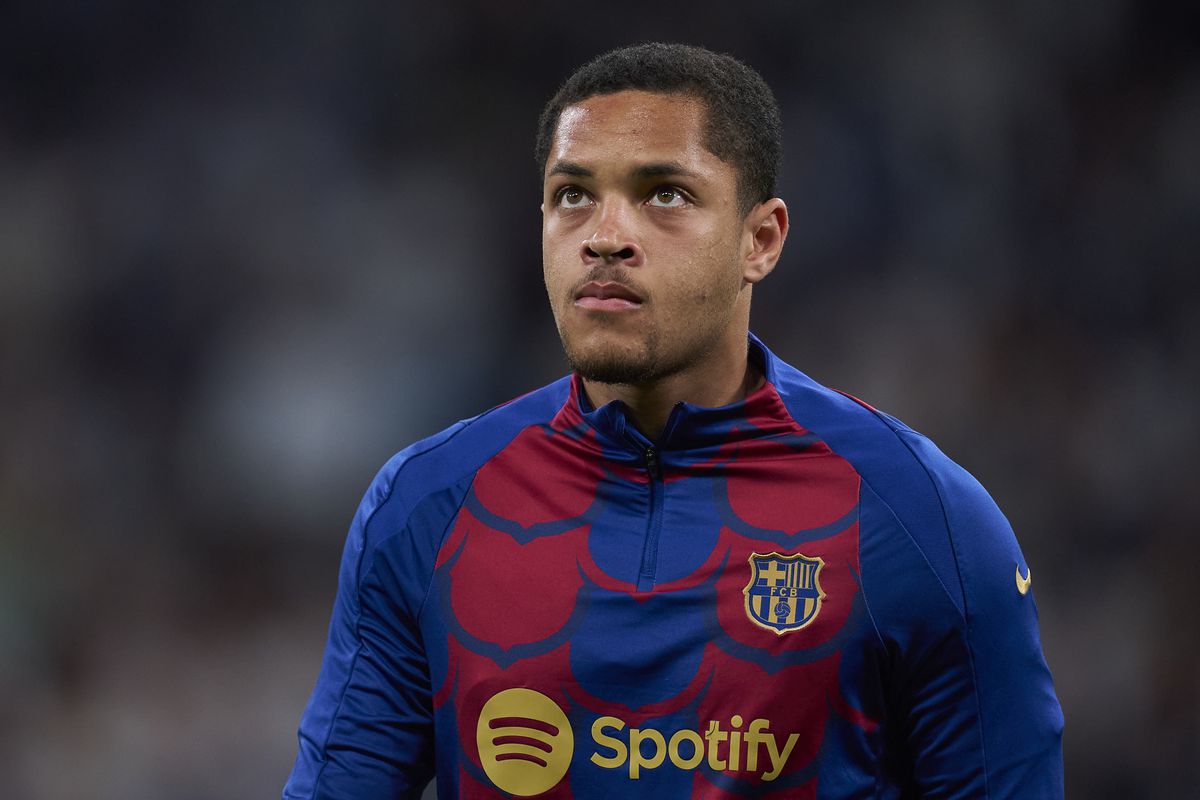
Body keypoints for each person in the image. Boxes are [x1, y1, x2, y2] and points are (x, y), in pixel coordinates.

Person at [283, 43, 1063, 799]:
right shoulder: (428, 507)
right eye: (572, 195)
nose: (605, 236)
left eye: (665, 194)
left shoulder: (921, 518)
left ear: (760, 240)